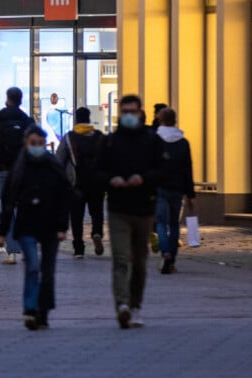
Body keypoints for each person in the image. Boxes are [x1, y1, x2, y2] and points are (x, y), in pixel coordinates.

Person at [96, 94, 164, 329]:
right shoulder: (110, 141)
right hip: (118, 209)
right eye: (124, 112)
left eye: (132, 112)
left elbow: (162, 171)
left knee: (140, 262)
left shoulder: (151, 140)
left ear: (140, 113)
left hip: (144, 208)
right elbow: (98, 172)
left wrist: (143, 178)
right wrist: (111, 179)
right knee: (121, 259)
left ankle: (135, 306)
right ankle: (122, 305)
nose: (128, 116)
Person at [0, 125, 72, 330]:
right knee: (32, 267)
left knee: (47, 271)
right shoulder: (20, 168)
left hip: (50, 225)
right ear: (26, 143)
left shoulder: (53, 166)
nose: (37, 147)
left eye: (40, 143)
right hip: (27, 224)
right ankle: (30, 309)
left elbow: (64, 197)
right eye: (33, 143)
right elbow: (8, 201)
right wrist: (2, 232)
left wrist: (63, 226)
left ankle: (43, 312)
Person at [0, 87, 33, 264]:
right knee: (25, 209)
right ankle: (27, 249)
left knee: (7, 210)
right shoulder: (28, 121)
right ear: (20, 99)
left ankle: (11, 252)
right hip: (24, 171)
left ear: (7, 99)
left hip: (4, 170)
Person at [56, 107, 106, 258]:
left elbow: (59, 160)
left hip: (75, 184)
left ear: (76, 119)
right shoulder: (100, 137)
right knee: (97, 212)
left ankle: (79, 248)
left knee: (76, 216)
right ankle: (97, 233)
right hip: (97, 183)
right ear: (89, 119)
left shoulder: (69, 138)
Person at [154, 107, 195, 274]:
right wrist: (190, 194)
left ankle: (165, 253)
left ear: (161, 120)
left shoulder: (155, 140)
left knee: (161, 223)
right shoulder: (183, 142)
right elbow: (188, 168)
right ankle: (172, 260)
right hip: (178, 188)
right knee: (174, 224)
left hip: (160, 187)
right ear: (175, 120)